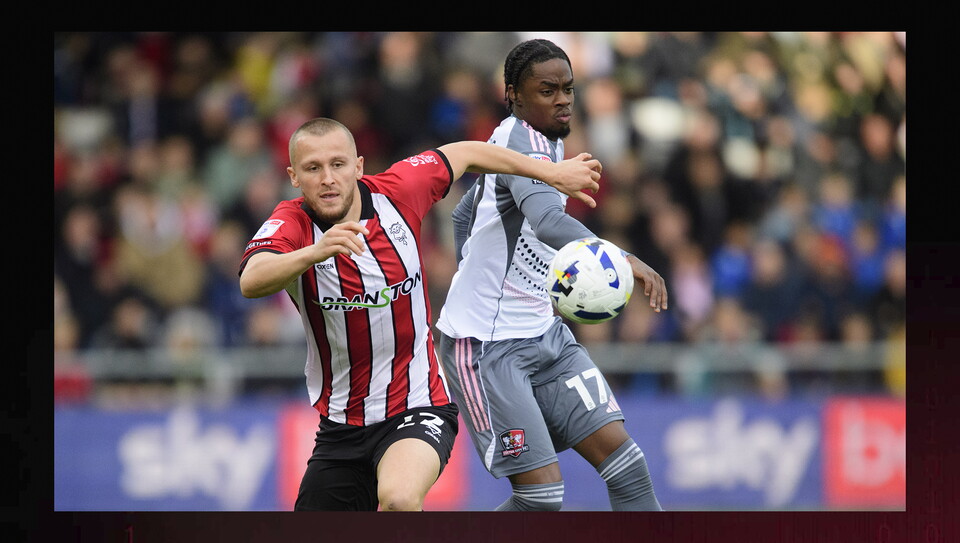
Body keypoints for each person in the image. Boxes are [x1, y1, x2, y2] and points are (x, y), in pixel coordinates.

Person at [238, 116, 602, 511]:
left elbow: (466, 153)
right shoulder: (291, 222)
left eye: (338, 165)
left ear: (358, 166)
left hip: (419, 406)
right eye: (313, 168)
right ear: (294, 175)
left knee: (398, 498)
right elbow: (251, 280)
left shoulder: (399, 191)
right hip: (340, 427)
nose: (328, 178)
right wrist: (314, 252)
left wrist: (551, 172)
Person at [435, 39, 667, 511]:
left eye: (568, 88)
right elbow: (548, 221)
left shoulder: (538, 142)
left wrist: (478, 267)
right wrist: (625, 259)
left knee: (629, 470)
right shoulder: (523, 144)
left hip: (546, 334)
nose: (562, 99)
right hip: (486, 347)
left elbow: (464, 212)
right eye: (547, 90)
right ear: (514, 94)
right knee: (540, 498)